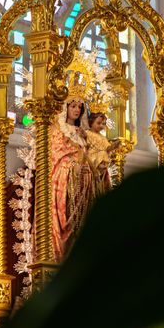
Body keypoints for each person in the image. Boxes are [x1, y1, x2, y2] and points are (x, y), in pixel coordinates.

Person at [50, 96, 95, 263]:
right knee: (66, 222)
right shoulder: (58, 130)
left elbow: (90, 157)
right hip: (64, 180)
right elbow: (56, 155)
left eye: (79, 108)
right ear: (66, 108)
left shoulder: (82, 134)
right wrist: (72, 166)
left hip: (84, 182)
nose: (76, 110)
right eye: (73, 106)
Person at [85, 112, 119, 196]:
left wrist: (114, 146)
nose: (101, 126)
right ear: (91, 122)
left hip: (102, 164)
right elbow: (85, 147)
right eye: (98, 123)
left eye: (103, 124)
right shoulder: (87, 133)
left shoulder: (102, 137)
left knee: (101, 186)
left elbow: (107, 148)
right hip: (91, 160)